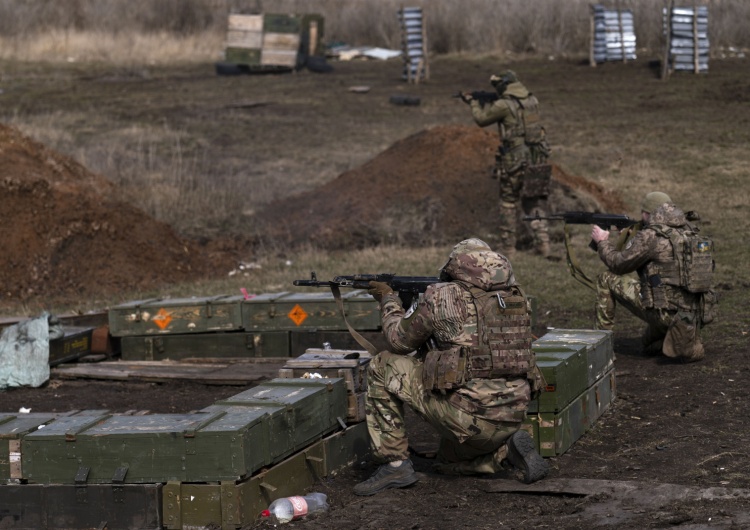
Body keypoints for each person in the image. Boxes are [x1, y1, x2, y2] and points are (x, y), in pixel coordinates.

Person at [353, 238, 548, 496]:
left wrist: (388, 300)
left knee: (382, 365)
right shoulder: (517, 299)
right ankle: (505, 452)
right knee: (447, 463)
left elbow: (398, 341)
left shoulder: (443, 296)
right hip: (512, 415)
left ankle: (394, 464)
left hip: (468, 418)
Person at [591, 192, 706, 362]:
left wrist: (602, 242)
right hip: (693, 313)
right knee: (648, 345)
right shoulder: (688, 229)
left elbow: (618, 264)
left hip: (665, 312)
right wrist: (632, 237)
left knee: (606, 278)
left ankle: (600, 346)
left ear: (647, 214)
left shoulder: (650, 236)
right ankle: (680, 336)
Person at [461, 71, 551, 257]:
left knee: (508, 202)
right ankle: (543, 242)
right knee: (531, 199)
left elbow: (481, 119)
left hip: (514, 159)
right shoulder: (532, 100)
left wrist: (473, 103)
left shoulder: (503, 104)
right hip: (536, 157)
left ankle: (508, 247)